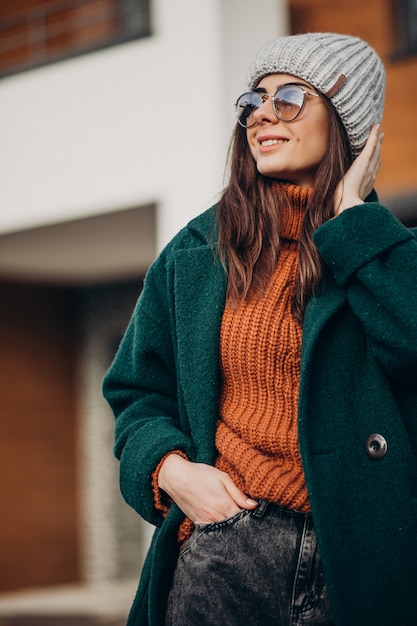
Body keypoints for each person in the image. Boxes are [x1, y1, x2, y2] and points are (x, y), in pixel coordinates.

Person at [102, 32, 417, 626]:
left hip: (362, 557)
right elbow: (136, 394)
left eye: (291, 98)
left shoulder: (389, 256)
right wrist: (173, 472)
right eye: (253, 101)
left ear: (348, 122)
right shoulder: (199, 254)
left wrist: (354, 223)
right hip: (229, 548)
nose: (261, 114)